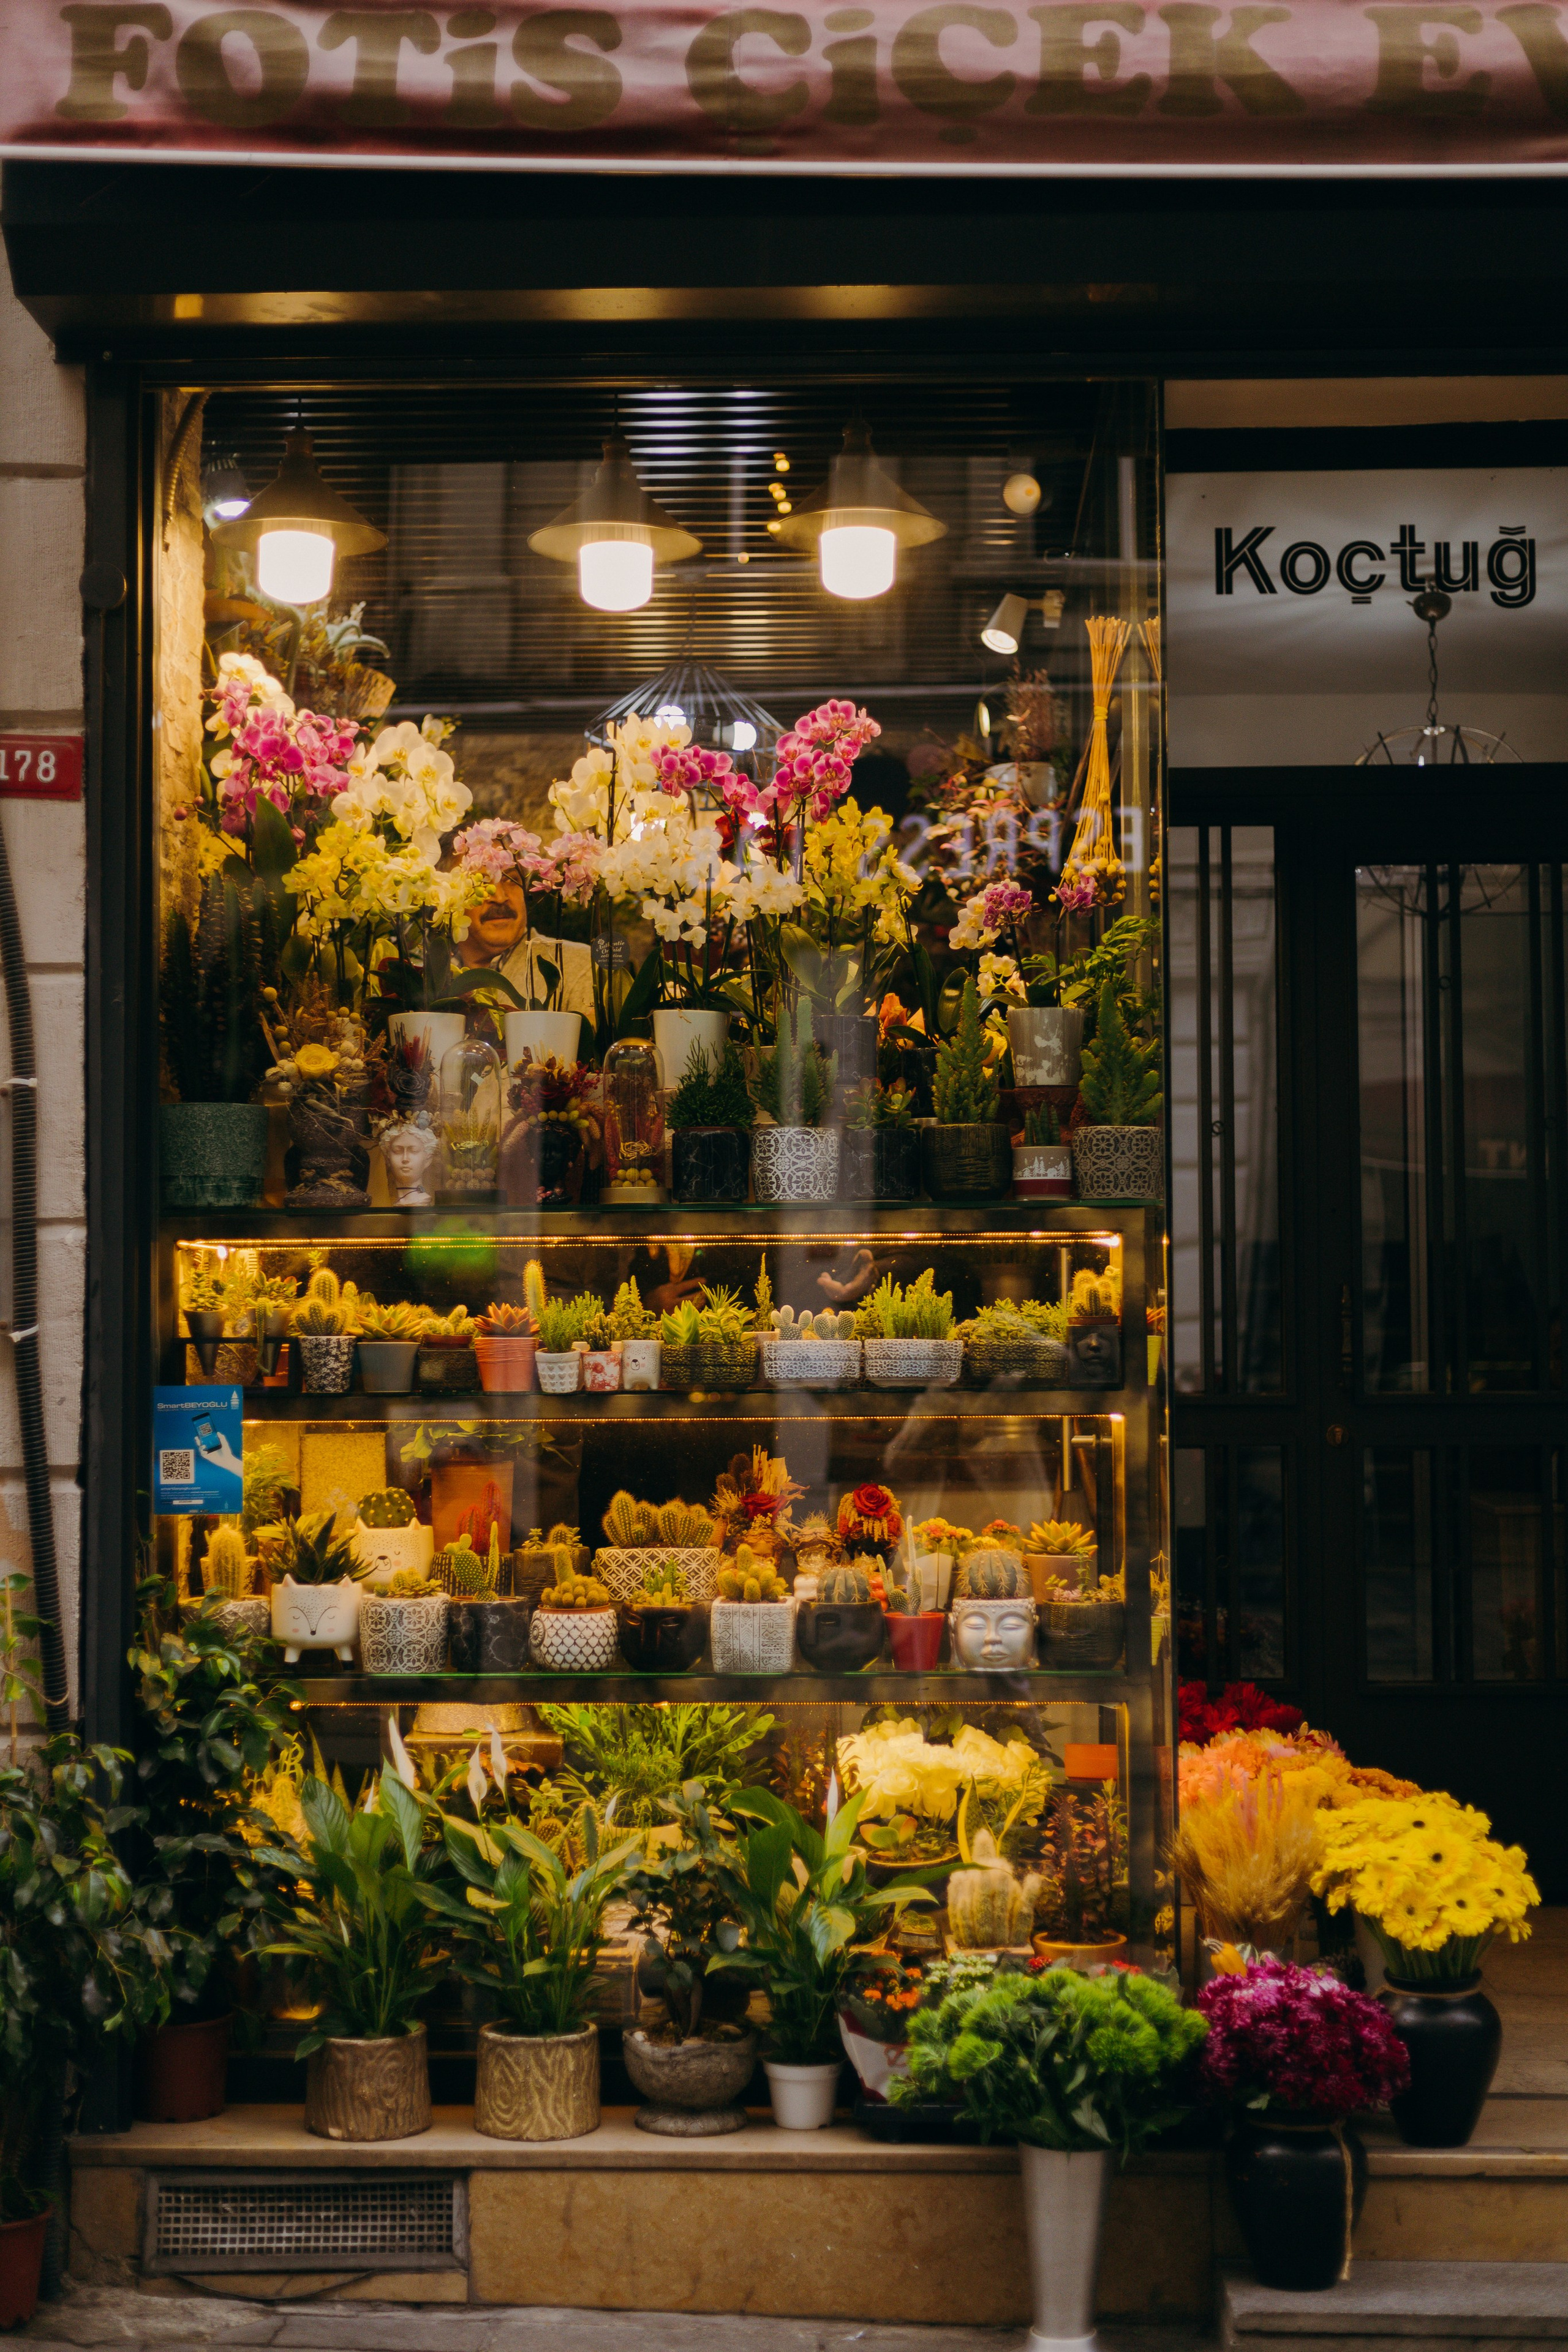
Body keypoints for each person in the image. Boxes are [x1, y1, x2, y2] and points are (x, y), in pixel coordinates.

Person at [455, 873, 595, 1019]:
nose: (500, 898)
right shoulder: (438, 977)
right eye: (480, 881)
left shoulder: (583, 968)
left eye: (511, 880)